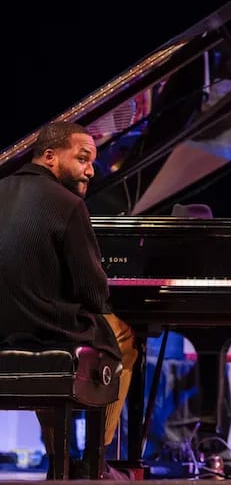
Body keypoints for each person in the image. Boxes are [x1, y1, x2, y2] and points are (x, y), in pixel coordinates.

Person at [0, 121, 138, 479]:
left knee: (46, 356)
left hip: (5, 331)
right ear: (50, 156)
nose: (91, 170)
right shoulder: (69, 204)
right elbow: (94, 293)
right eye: (82, 159)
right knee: (122, 337)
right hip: (46, 329)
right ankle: (96, 459)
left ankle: (58, 456)